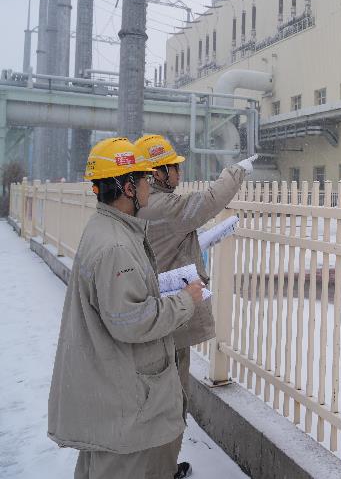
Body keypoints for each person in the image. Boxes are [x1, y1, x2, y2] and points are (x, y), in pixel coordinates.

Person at [48, 137, 204, 479]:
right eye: (145, 179)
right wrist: (184, 300)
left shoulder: (109, 229)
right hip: (126, 408)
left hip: (113, 398)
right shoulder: (116, 246)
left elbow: (120, 302)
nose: (150, 185)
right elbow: (132, 321)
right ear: (128, 187)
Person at [135, 134, 255, 479]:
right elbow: (205, 203)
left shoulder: (147, 206)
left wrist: (198, 242)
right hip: (167, 322)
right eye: (173, 167)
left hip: (160, 316)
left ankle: (159, 467)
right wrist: (236, 171)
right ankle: (160, 472)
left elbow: (167, 243)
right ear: (157, 173)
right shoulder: (159, 206)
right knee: (171, 404)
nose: (178, 174)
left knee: (163, 401)